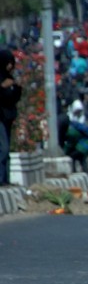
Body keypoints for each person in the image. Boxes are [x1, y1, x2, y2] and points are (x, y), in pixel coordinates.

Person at [0, 49, 21, 186]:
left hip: (8, 117)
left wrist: (17, 88)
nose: (10, 66)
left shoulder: (9, 78)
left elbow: (13, 99)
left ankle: (5, 179)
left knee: (7, 151)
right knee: (4, 148)